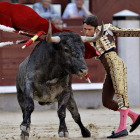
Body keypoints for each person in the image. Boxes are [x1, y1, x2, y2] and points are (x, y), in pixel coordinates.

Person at [82, 15, 140, 138]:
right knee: (107, 101)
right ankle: (135, 117)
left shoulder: (106, 28)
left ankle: (122, 128)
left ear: (96, 27)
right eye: (85, 29)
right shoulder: (86, 40)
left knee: (121, 94)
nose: (86, 32)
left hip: (117, 65)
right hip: (109, 70)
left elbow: (126, 32)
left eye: (89, 29)